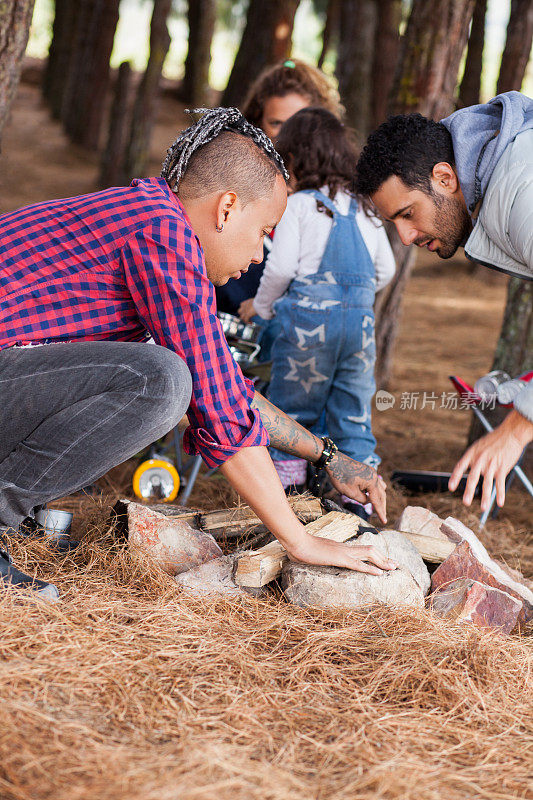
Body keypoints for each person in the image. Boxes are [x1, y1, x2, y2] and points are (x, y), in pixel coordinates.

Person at [0, 107, 395, 601]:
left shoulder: (147, 217)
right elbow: (212, 400)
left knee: (169, 375)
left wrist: (327, 455)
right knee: (161, 382)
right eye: (263, 233)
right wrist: (299, 539)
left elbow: (224, 384)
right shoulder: (162, 232)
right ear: (226, 207)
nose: (258, 256)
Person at [354, 90, 533, 513]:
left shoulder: (519, 190)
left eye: (408, 213)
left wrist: (516, 428)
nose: (406, 237)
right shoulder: (503, 175)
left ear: (445, 178)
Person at [239, 108, 395, 514]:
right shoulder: (367, 208)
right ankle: (359, 506)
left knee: (294, 412)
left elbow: (281, 268)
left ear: (295, 159)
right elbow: (386, 270)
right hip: (359, 332)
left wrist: (262, 307)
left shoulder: (301, 205)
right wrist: (353, 300)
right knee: (353, 415)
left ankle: (290, 500)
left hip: (307, 331)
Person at [215, 58, 343, 319]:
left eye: (299, 123)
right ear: (258, 123)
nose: (288, 137)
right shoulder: (231, 180)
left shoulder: (336, 195)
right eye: (276, 124)